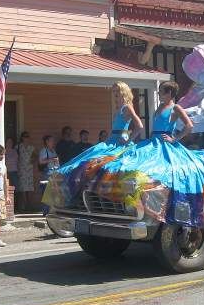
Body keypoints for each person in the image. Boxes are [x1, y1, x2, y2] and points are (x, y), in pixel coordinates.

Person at [93, 81, 204, 228]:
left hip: (165, 145)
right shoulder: (159, 107)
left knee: (162, 172)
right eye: (159, 91)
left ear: (170, 94)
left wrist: (175, 138)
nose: (159, 94)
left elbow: (189, 125)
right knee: (132, 164)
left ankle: (163, 204)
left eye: (161, 92)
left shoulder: (175, 108)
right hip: (152, 143)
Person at [44, 81, 144, 212]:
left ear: (124, 92)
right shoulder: (118, 109)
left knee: (102, 165)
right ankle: (80, 196)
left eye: (117, 92)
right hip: (110, 141)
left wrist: (128, 139)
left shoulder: (127, 107)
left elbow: (139, 126)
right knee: (86, 161)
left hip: (117, 144)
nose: (115, 95)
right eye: (114, 93)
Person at [38, 135, 59, 216]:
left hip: (54, 173)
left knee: (53, 193)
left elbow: (56, 161)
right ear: (47, 141)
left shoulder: (53, 151)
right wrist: (51, 159)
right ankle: (46, 212)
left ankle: (51, 211)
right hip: (47, 174)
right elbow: (40, 162)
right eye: (51, 141)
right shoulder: (44, 150)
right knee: (47, 193)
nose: (53, 142)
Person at [16, 131, 35, 212]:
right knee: (23, 188)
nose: (27, 138)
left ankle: (29, 205)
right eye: (25, 137)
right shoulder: (18, 147)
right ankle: (23, 205)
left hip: (29, 169)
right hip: (21, 169)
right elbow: (15, 156)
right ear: (22, 138)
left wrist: (33, 159)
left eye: (28, 137)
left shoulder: (31, 147)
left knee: (30, 188)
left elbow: (35, 155)